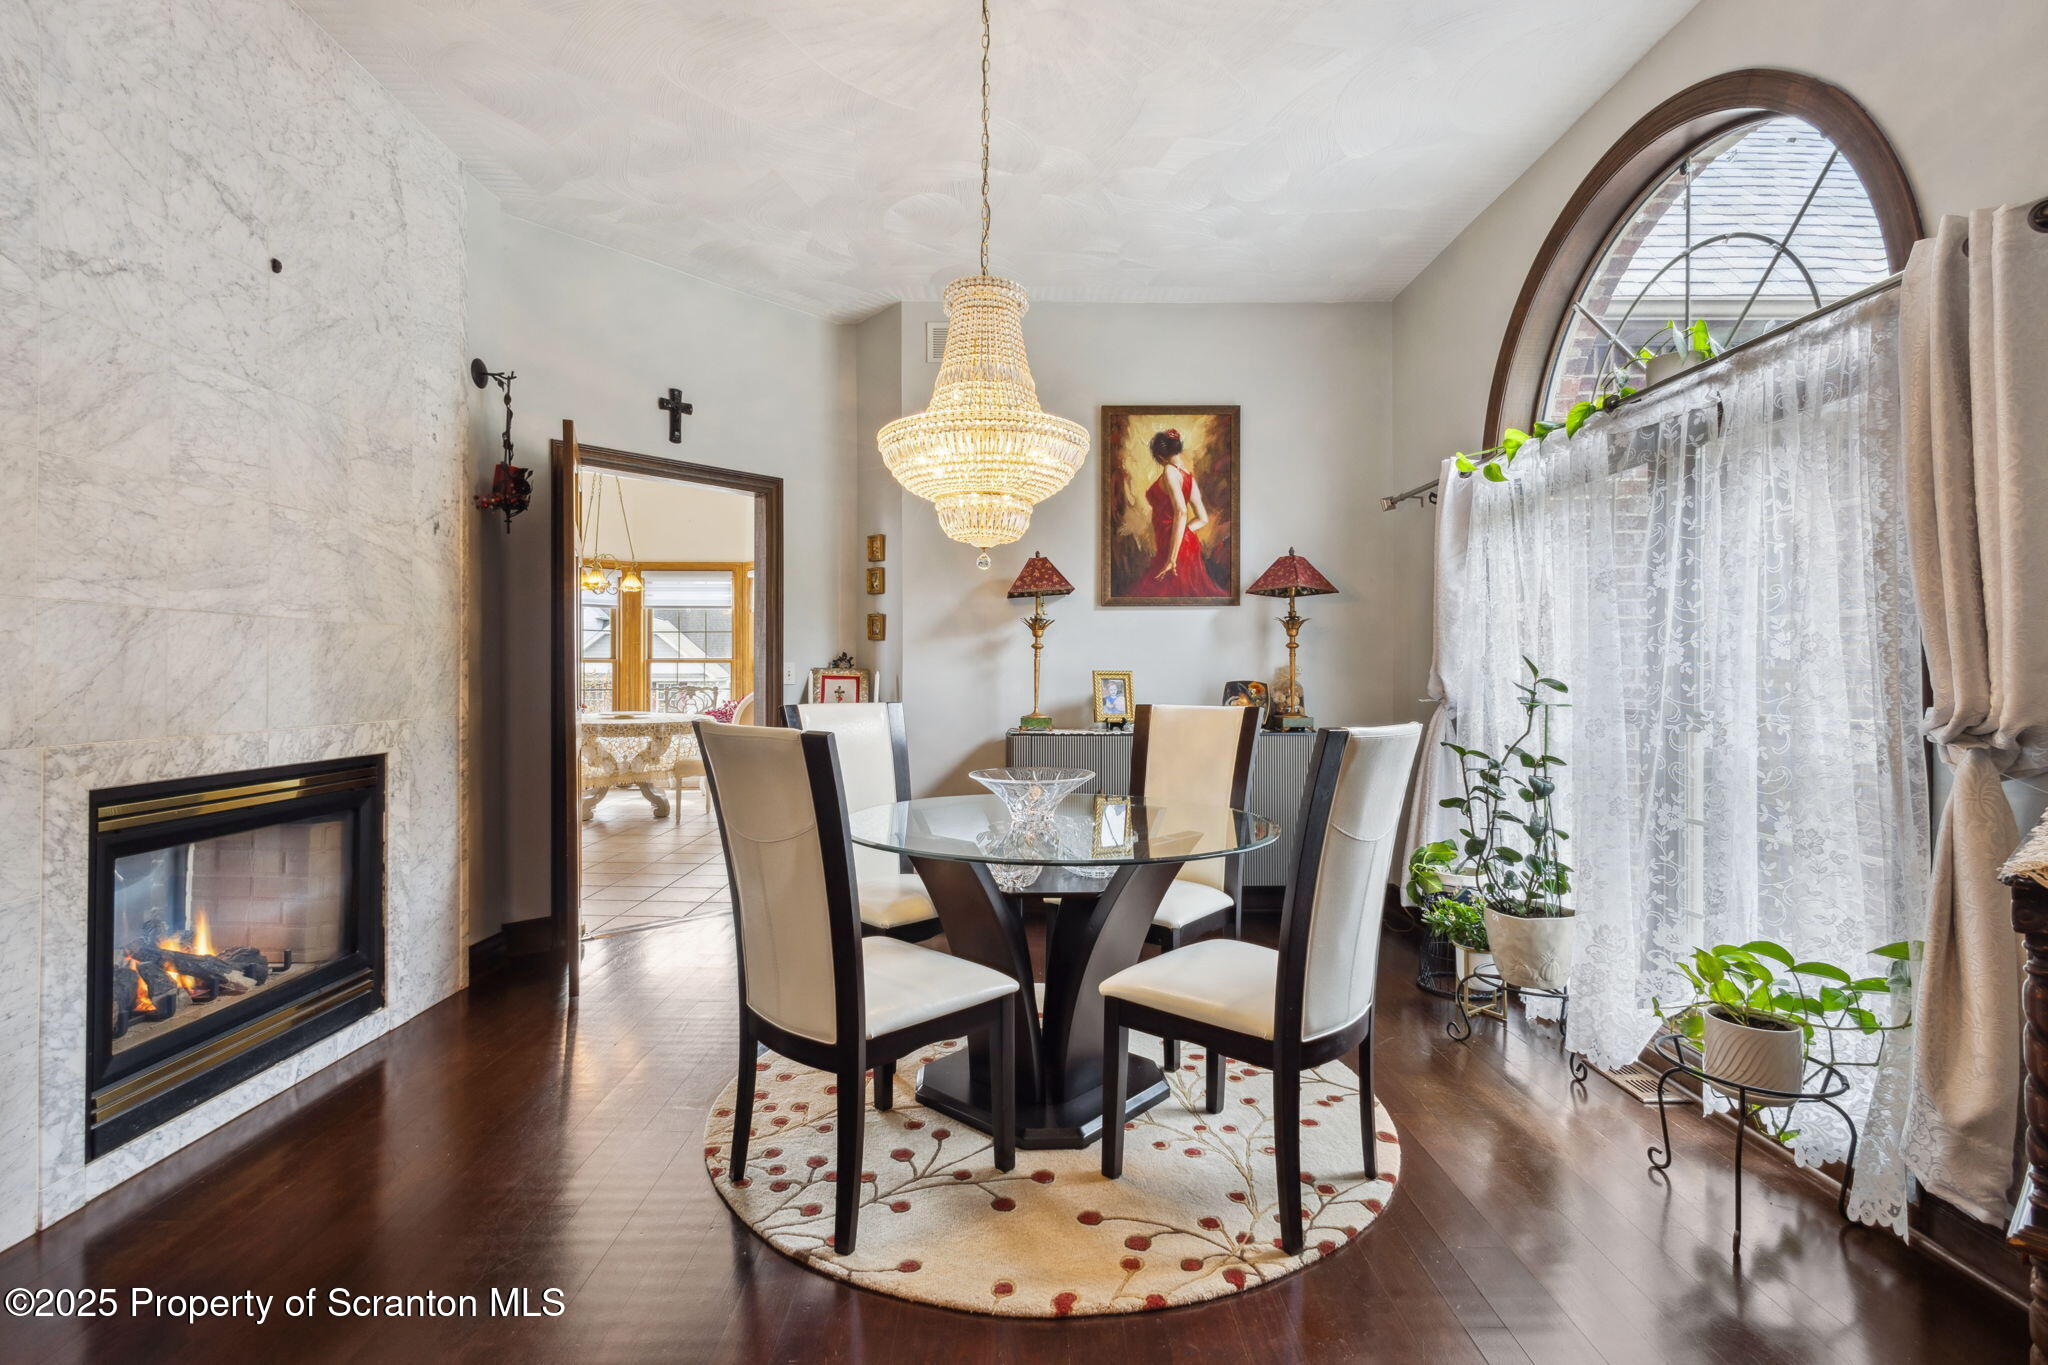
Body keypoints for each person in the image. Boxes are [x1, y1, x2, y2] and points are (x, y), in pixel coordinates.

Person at [1127, 428, 1224, 598]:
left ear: (1160, 457)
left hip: (1172, 545)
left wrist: (1172, 558)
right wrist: (1186, 533)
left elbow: (1181, 511)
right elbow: (1202, 518)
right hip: (1182, 541)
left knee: (1161, 593)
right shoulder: (1189, 477)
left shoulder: (1169, 471)